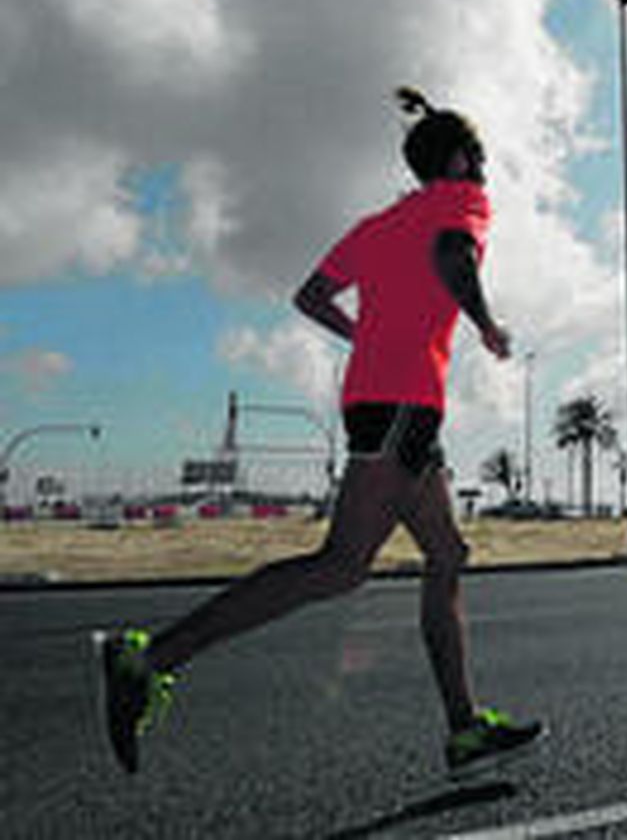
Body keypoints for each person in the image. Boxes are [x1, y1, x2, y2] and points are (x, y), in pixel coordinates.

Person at [100, 87, 543, 775]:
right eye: (479, 157)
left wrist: (363, 332)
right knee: (340, 567)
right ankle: (147, 658)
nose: (483, 170)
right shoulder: (461, 204)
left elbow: (310, 296)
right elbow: (457, 256)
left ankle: (464, 729)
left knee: (448, 554)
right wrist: (484, 324)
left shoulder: (376, 227)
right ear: (457, 160)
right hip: (401, 407)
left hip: (384, 404)